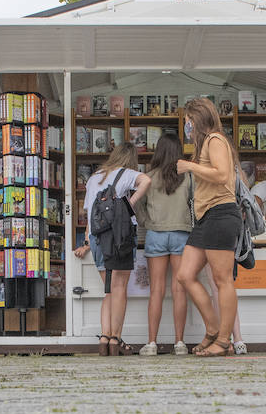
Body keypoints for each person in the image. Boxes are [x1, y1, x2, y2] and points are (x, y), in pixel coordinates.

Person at [174, 97, 241, 356]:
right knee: (185, 274)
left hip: (220, 213)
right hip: (206, 217)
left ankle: (224, 341)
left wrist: (189, 166)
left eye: (188, 122)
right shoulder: (207, 142)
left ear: (197, 119)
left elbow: (223, 174)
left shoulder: (215, 140)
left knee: (222, 280)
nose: (186, 127)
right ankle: (213, 329)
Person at [72, 142, 150, 355]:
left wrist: (88, 242)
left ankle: (104, 338)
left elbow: (90, 216)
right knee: (119, 289)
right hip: (121, 239)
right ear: (131, 159)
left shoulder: (94, 177)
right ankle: (115, 339)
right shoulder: (127, 174)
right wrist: (129, 204)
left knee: (108, 291)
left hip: (98, 240)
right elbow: (147, 180)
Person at [137, 133, 191, 356]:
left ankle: (151, 343)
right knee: (179, 290)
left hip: (156, 235)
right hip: (181, 233)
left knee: (156, 291)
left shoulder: (147, 178)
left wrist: (146, 221)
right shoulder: (188, 177)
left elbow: (137, 206)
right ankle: (180, 343)